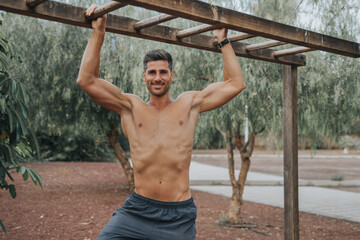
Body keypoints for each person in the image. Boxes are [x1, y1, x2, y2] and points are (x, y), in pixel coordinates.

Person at [78, 4, 246, 240]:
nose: (158, 78)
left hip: (178, 215)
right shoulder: (130, 107)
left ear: (172, 76)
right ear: (144, 76)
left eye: (163, 72)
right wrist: (99, 32)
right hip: (138, 210)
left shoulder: (189, 104)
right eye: (152, 72)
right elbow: (87, 80)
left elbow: (235, 83)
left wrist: (222, 40)